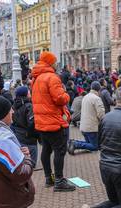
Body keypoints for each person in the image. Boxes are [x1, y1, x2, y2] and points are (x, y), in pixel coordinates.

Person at [32, 51, 75, 191]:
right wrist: (66, 94)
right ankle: (59, 181)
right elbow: (59, 98)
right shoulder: (52, 77)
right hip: (53, 121)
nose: (57, 64)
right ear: (50, 63)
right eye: (55, 61)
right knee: (59, 150)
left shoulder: (36, 78)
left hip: (41, 122)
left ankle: (48, 178)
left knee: (46, 149)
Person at [68, 81, 105, 155]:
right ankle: (75, 144)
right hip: (91, 128)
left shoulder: (85, 97)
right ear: (99, 89)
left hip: (84, 127)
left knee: (89, 143)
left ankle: (73, 142)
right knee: (95, 147)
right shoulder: (97, 99)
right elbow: (101, 115)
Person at [12, 86, 38, 165]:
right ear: (25, 94)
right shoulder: (29, 106)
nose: (30, 93)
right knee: (31, 163)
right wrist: (34, 134)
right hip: (29, 136)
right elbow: (31, 123)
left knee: (22, 157)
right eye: (29, 92)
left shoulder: (14, 105)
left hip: (18, 134)